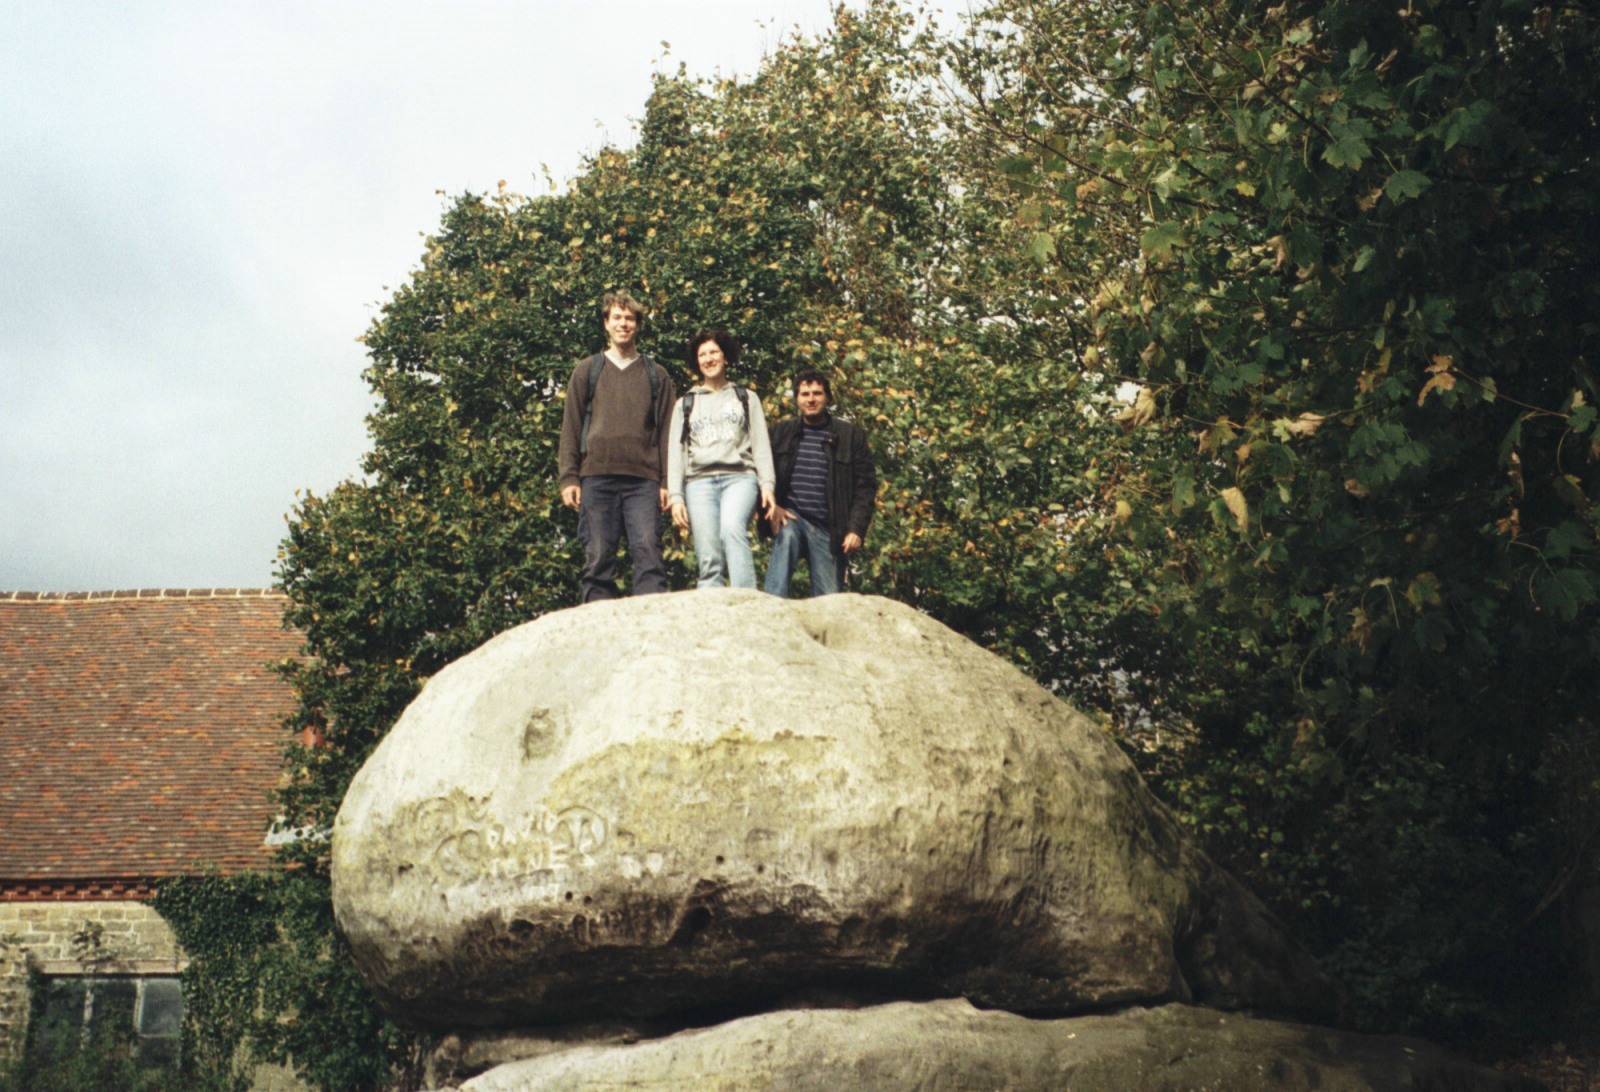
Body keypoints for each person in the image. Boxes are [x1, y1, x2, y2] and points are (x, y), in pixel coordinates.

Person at [557, 291, 676, 602]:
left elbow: (668, 434)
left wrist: (667, 483)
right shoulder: (587, 370)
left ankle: (651, 624)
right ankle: (598, 630)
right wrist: (569, 477)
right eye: (617, 318)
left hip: (644, 482)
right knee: (597, 557)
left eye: (630, 318)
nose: (623, 324)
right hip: (596, 478)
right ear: (606, 325)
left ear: (637, 325)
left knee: (649, 553)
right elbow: (570, 426)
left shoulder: (657, 375)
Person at [667, 331, 776, 588]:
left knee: (731, 529)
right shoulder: (685, 403)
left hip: (739, 478)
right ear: (697, 362)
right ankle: (711, 615)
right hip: (698, 482)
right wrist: (676, 497)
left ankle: (745, 599)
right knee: (708, 555)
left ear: (725, 357)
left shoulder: (746, 398)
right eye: (702, 354)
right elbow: (676, 453)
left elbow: (761, 445)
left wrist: (768, 486)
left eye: (714, 352)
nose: (709, 358)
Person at [763, 369, 877, 597]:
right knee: (785, 542)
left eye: (817, 393)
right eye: (805, 394)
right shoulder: (779, 433)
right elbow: (760, 473)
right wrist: (771, 508)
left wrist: (856, 529)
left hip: (829, 528)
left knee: (829, 600)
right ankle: (771, 613)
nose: (811, 399)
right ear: (796, 398)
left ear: (828, 397)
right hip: (792, 517)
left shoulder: (850, 436)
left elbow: (866, 487)